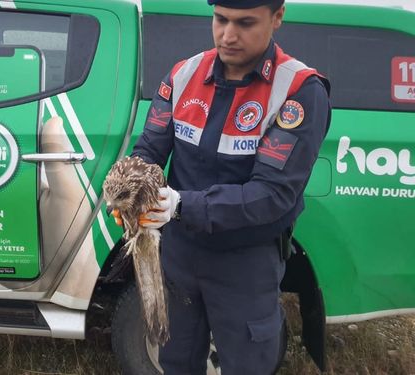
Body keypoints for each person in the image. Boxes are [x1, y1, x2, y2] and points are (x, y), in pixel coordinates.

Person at [128, 0, 331, 373]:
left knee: (247, 364)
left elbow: (272, 195)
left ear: (278, 17)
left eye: (245, 23)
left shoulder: (297, 91)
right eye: (221, 20)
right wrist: (129, 186)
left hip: (245, 260)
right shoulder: (183, 74)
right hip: (179, 255)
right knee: (175, 359)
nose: (228, 35)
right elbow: (149, 149)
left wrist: (181, 205)